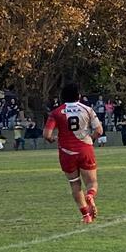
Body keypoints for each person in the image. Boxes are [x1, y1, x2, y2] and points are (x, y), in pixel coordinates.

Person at [43, 82, 104, 223]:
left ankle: (85, 215)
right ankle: (90, 195)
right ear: (79, 96)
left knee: (74, 184)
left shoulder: (56, 112)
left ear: (62, 97)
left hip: (66, 152)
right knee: (92, 182)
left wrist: (52, 139)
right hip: (85, 149)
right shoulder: (87, 109)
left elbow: (46, 134)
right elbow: (99, 130)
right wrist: (91, 139)